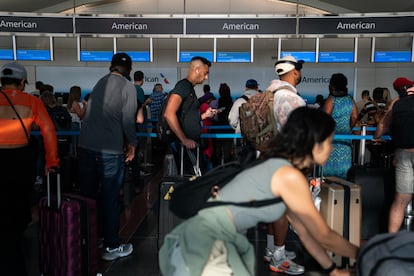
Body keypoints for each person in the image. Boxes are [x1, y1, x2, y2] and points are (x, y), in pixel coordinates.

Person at [159, 107, 359, 276]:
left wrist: (333, 270)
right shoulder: (288, 175)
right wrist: (364, 254)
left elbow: (307, 235)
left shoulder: (278, 166)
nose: (331, 148)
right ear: (314, 141)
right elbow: (323, 235)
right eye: (329, 141)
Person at [0, 62, 59, 275]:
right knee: (18, 201)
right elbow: (49, 131)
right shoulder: (32, 101)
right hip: (19, 159)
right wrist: (51, 162)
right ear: (23, 82)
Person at [78, 53, 137, 261]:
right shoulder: (128, 87)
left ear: (111, 67)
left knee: (88, 197)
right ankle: (111, 246)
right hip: (110, 151)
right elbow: (129, 121)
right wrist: (133, 144)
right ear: (128, 70)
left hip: (85, 147)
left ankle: (88, 240)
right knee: (110, 198)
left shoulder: (100, 82)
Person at [264, 55, 307, 273]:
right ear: (294, 72)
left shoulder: (269, 94)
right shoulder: (292, 99)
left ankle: (271, 249)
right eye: (299, 70)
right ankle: (278, 259)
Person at [372, 77, 414, 233]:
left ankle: (391, 241)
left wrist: (377, 137)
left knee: (400, 202)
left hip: (403, 154)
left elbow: (381, 126)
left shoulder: (396, 102)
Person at [163, 56, 216, 174]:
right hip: (184, 146)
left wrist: (204, 116)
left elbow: (186, 117)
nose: (206, 77)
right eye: (205, 73)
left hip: (189, 145)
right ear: (197, 69)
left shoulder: (189, 89)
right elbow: (169, 113)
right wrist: (184, 139)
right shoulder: (183, 86)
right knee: (191, 178)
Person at [323, 73, 358, 179]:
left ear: (332, 86)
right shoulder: (350, 99)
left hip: (331, 139)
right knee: (344, 171)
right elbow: (355, 117)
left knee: (328, 173)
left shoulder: (331, 99)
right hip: (345, 140)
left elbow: (325, 118)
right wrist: (348, 128)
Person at [228, 79, 261, 164]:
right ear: (257, 87)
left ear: (246, 88)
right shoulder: (263, 100)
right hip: (260, 139)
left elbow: (232, 120)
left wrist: (239, 126)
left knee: (242, 164)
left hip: (242, 138)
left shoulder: (239, 101)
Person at [212, 83, 234, 167]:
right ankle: (227, 170)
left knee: (217, 151)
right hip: (228, 128)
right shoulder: (231, 101)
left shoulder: (217, 102)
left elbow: (215, 116)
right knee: (227, 151)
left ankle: (217, 169)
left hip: (218, 128)